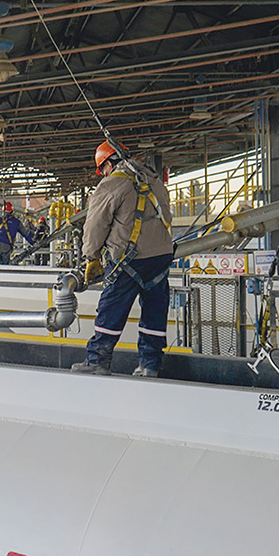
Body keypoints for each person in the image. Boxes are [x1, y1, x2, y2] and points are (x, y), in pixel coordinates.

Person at [71, 141, 174, 378]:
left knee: (111, 307)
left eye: (103, 169)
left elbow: (95, 225)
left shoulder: (112, 184)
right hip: (161, 257)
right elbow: (166, 216)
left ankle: (98, 360)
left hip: (130, 259)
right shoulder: (154, 181)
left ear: (108, 164)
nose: (103, 174)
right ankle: (150, 366)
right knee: (155, 311)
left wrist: (91, 257)